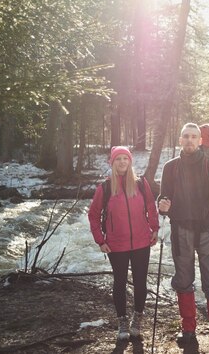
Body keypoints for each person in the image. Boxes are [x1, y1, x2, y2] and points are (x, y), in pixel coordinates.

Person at [158, 122, 209, 352]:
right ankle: (188, 330)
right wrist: (163, 205)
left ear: (201, 141)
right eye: (185, 136)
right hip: (181, 231)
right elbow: (163, 197)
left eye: (193, 137)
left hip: (208, 230)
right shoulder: (170, 167)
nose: (189, 140)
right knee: (183, 280)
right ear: (180, 140)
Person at [88, 146, 160, 341]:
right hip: (116, 245)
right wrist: (100, 241)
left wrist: (155, 229)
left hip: (141, 242)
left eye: (125, 159)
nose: (122, 162)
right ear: (112, 162)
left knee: (140, 283)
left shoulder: (140, 183)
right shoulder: (104, 187)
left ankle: (137, 317)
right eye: (118, 159)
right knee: (119, 283)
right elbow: (93, 215)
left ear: (130, 162)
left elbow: (151, 207)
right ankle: (122, 321)